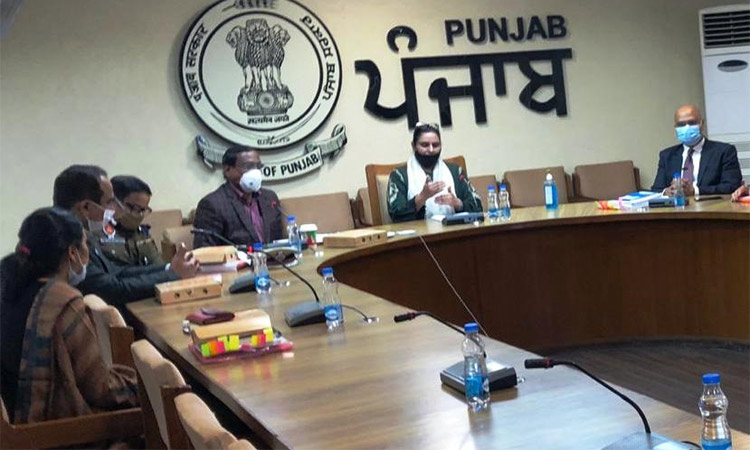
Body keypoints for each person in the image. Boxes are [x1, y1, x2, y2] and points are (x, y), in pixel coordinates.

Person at [0, 207, 138, 424]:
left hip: (14, 420)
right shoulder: (63, 302)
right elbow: (99, 387)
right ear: (72, 252)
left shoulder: (8, 287)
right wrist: (140, 385)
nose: (88, 254)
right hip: (49, 430)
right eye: (85, 245)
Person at [53, 165, 198, 309]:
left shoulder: (83, 234)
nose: (114, 209)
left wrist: (169, 268)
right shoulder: (66, 243)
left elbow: (117, 272)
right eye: (109, 202)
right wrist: (172, 275)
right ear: (85, 207)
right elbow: (113, 290)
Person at [387, 122, 482, 222]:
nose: (431, 150)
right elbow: (396, 215)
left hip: (454, 230)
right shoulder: (399, 175)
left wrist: (457, 204)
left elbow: (478, 207)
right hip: (418, 231)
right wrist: (421, 198)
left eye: (435, 145)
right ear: (414, 146)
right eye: (425, 145)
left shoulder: (455, 172)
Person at [193, 146, 282, 248]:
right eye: (248, 166)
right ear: (227, 169)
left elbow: (279, 242)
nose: (255, 172)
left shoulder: (269, 198)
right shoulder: (212, 205)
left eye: (258, 166)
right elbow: (204, 251)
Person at [651, 105, 742, 195]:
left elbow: (731, 186)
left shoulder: (724, 151)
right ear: (675, 127)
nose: (686, 128)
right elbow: (656, 189)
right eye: (681, 124)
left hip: (711, 204)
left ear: (702, 124)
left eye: (692, 123)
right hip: (676, 204)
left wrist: (695, 191)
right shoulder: (667, 156)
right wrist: (667, 192)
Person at [94, 175, 163, 266]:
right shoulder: (98, 237)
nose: (140, 215)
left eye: (143, 210)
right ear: (113, 203)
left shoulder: (142, 234)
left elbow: (157, 264)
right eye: (135, 208)